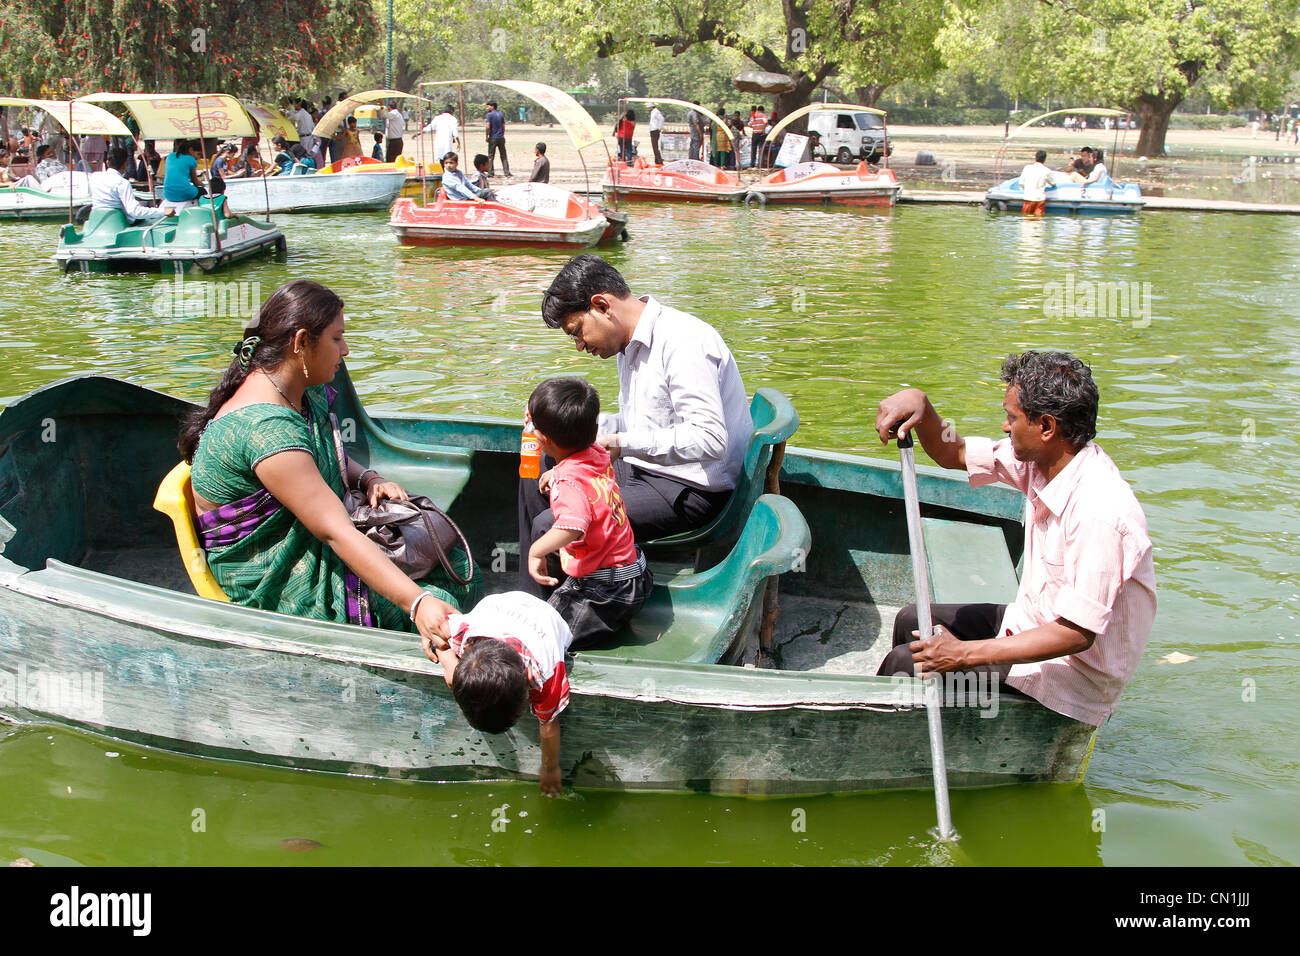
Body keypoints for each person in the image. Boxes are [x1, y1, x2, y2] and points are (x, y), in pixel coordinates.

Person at [181, 280, 478, 647]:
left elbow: (321, 453)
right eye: (337, 339)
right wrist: (418, 604)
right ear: (302, 342)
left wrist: (368, 478)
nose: (346, 350)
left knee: (458, 566)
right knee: (445, 600)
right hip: (278, 577)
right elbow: (334, 531)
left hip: (315, 537)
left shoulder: (300, 391)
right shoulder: (266, 432)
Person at [872, 351, 1156, 729]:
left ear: (1047, 426)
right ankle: (916, 727)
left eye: (1012, 418)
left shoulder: (1100, 513)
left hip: (1068, 676)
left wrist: (963, 655)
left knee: (905, 663)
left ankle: (882, 744)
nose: (1005, 427)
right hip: (1030, 622)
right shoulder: (1044, 460)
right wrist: (921, 403)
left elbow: (1075, 634)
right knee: (913, 620)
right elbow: (950, 452)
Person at [520, 254, 753, 595]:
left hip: (689, 488)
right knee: (537, 459)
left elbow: (709, 439)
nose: (580, 346)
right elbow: (639, 421)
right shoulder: (628, 344)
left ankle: (544, 622)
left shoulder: (683, 342)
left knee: (548, 525)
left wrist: (620, 444)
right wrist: (560, 422)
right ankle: (551, 591)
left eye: (577, 332)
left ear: (602, 305)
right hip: (646, 468)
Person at [525, 377, 653, 646]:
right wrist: (557, 471)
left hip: (605, 592)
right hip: (637, 575)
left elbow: (573, 525)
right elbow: (587, 465)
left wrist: (536, 551)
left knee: (542, 636)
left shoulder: (569, 483)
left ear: (541, 438)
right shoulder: (597, 451)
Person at [424, 591, 573, 795]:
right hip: (502, 603)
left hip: (548, 617)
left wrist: (550, 768)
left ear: (529, 678)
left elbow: (549, 726)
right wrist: (450, 665)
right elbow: (435, 632)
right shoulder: (463, 633)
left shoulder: (547, 673)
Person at [87, 146, 168, 223]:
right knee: (145, 205)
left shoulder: (94, 177)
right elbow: (134, 212)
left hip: (96, 219)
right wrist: (162, 211)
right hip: (118, 221)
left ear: (107, 163)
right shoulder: (122, 183)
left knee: (143, 204)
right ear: (125, 164)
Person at [161, 139, 203, 210]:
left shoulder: (170, 156)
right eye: (198, 154)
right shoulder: (191, 159)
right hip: (184, 193)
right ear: (191, 150)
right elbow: (195, 182)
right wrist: (204, 185)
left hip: (168, 194)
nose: (198, 158)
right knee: (202, 191)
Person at [1018, 149, 1060, 216]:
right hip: (1040, 199)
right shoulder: (1047, 171)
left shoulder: (1027, 168)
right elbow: (1053, 183)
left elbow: (1021, 183)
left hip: (1028, 198)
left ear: (1035, 157)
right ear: (1044, 159)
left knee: (1026, 220)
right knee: (1039, 222)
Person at [485, 100, 510, 177]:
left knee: (491, 156)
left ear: (492, 106)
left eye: (488, 106)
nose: (487, 108)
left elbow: (488, 126)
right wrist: (502, 134)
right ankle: (506, 172)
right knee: (503, 155)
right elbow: (503, 126)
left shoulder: (489, 115)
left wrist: (487, 136)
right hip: (501, 137)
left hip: (493, 137)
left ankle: (490, 172)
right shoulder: (501, 115)